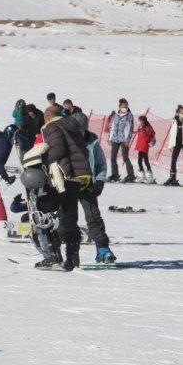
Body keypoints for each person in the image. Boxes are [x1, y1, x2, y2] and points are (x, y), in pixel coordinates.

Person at [39, 105, 93, 271]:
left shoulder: (53, 127)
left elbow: (58, 149)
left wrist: (41, 158)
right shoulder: (72, 127)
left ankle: (53, 255)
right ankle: (72, 258)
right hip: (77, 177)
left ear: (48, 116)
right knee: (70, 218)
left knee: (45, 211)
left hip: (63, 176)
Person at [71, 111, 117, 264]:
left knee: (93, 217)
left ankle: (103, 248)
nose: (78, 134)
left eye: (81, 131)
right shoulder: (64, 140)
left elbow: (100, 165)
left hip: (87, 185)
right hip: (68, 184)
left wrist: (99, 182)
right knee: (66, 219)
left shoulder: (92, 143)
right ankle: (62, 251)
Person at [107, 98, 135, 183]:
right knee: (112, 157)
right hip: (115, 138)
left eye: (126, 106)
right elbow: (112, 127)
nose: (125, 108)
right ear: (119, 106)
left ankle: (131, 175)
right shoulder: (115, 115)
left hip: (124, 139)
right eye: (123, 106)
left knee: (125, 157)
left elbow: (130, 128)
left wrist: (128, 139)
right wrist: (110, 138)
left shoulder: (129, 116)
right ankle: (115, 174)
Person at [163, 105, 183, 186]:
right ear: (178, 113)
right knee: (173, 161)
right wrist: (170, 145)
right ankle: (173, 177)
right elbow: (172, 134)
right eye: (182, 113)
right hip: (176, 143)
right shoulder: (174, 121)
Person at [134, 116, 156, 184]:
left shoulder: (147, 128)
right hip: (140, 146)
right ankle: (141, 175)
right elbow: (137, 132)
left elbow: (150, 136)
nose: (139, 122)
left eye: (139, 121)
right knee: (139, 161)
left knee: (146, 161)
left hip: (144, 146)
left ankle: (150, 176)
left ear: (143, 121)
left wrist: (145, 133)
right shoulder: (141, 128)